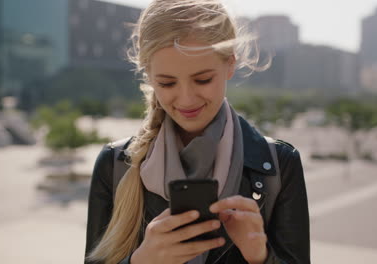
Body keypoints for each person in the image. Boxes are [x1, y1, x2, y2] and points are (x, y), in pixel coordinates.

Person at [84, 0, 310, 263]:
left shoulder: (279, 165)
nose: (186, 99)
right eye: (167, 83)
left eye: (203, 79)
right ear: (148, 75)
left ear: (230, 64)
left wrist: (261, 256)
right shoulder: (114, 164)